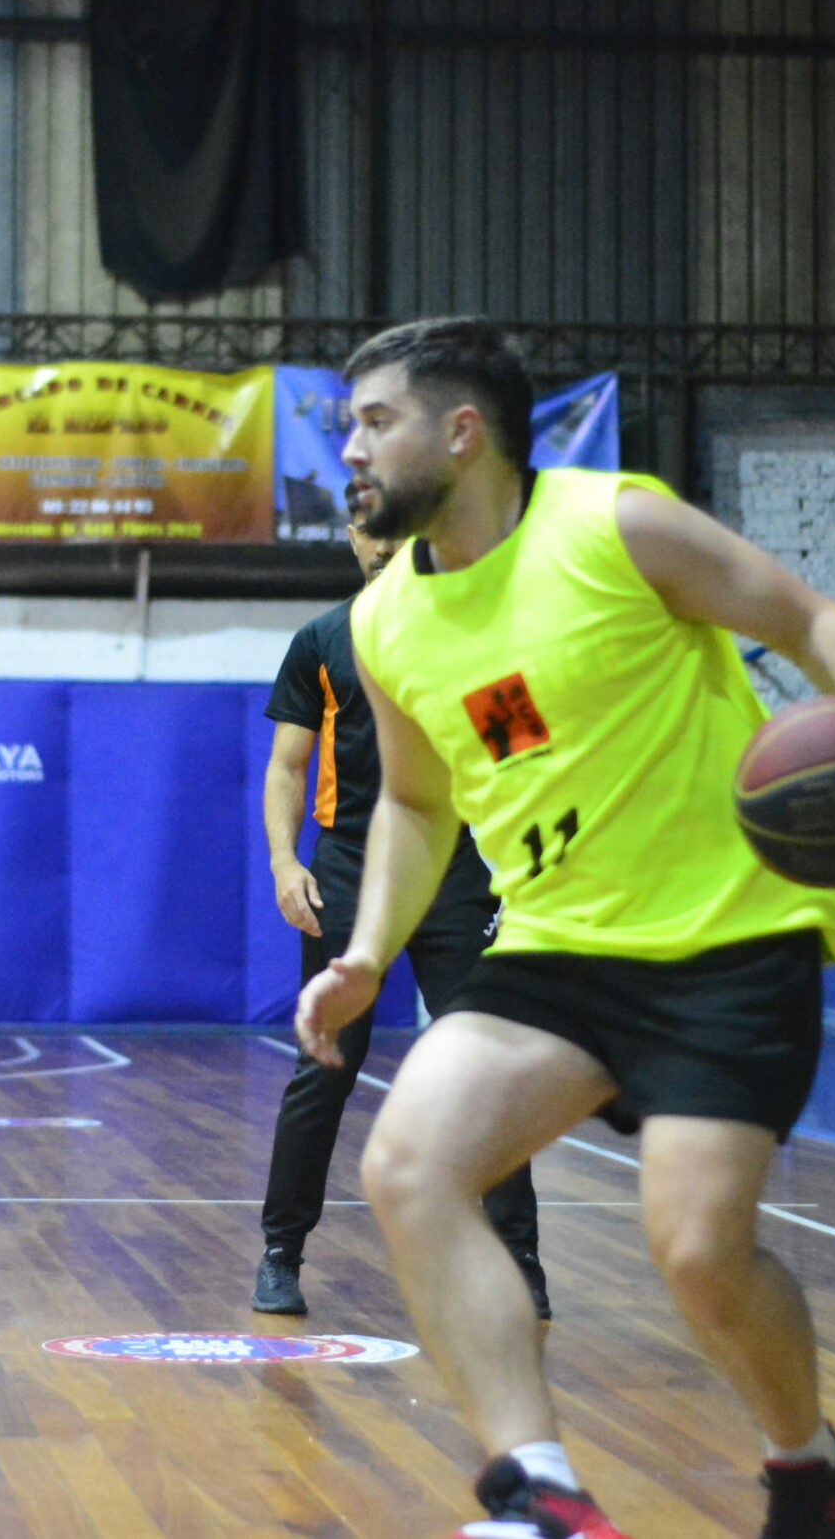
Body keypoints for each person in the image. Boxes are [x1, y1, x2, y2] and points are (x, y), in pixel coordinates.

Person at [294, 318, 835, 1539]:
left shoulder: (615, 525)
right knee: (408, 1164)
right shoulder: (386, 622)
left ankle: (806, 1461)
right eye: (351, 428)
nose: (353, 451)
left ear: (463, 431)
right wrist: (367, 953)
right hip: (553, 947)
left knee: (696, 1253)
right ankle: (538, 1487)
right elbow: (418, 805)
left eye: (375, 422)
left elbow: (808, 619)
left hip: (729, 939)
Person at [254, 502, 546, 1321]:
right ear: (350, 536)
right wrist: (285, 863)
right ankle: (280, 1253)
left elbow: (523, 759)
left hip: (453, 868)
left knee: (489, 1066)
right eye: (366, 528)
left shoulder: (476, 633)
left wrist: (529, 870)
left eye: (395, 527)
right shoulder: (320, 642)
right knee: (324, 1067)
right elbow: (286, 768)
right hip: (349, 869)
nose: (380, 543)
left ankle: (519, 1260)